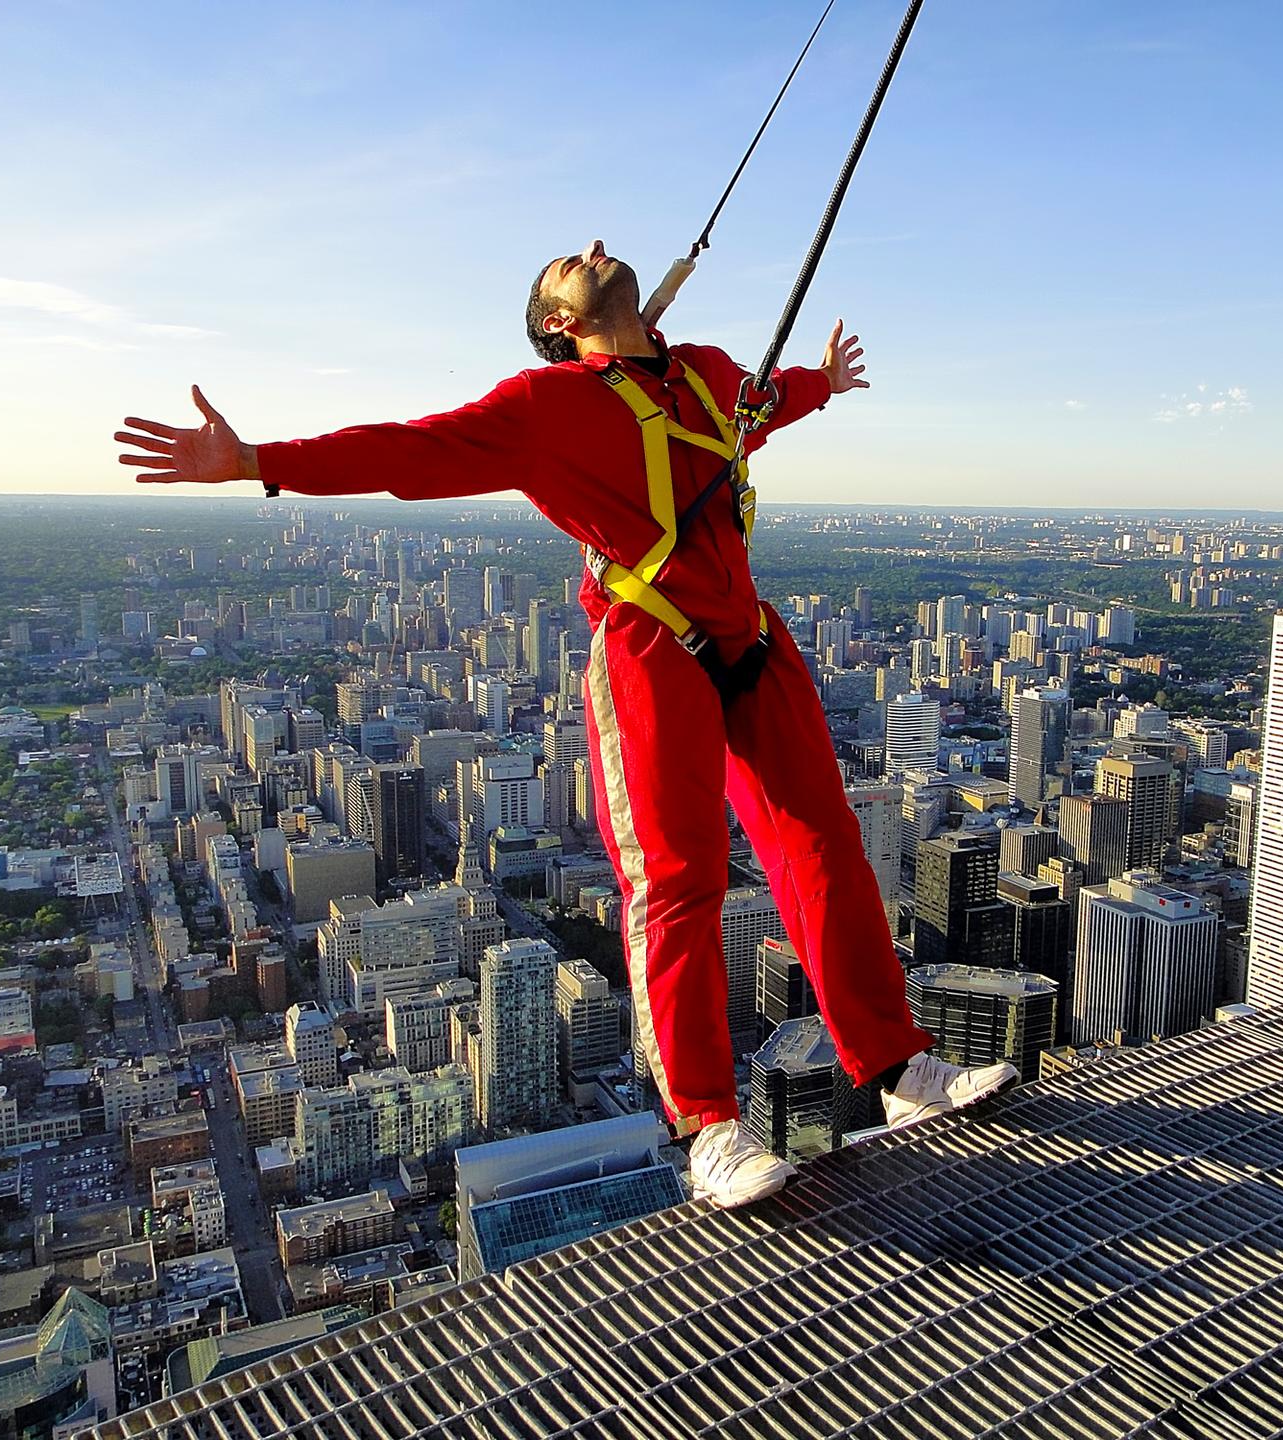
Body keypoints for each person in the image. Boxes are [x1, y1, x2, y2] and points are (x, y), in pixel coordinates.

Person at [116, 240, 1016, 1207]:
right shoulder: (543, 409)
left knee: (827, 847)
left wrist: (821, 386)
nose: (591, 248)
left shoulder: (706, 374)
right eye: (563, 262)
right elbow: (410, 449)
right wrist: (257, 460)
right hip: (653, 647)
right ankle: (709, 1128)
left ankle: (895, 1072)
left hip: (752, 639)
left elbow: (758, 411)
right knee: (678, 879)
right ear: (558, 322)